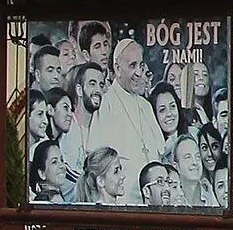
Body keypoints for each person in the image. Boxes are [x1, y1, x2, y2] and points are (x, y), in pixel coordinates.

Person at [88, 37, 165, 202]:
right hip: (123, 201)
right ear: (117, 68)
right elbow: (98, 160)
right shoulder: (106, 103)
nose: (139, 72)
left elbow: (159, 152)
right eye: (132, 66)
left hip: (151, 201)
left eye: (141, 65)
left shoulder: (145, 106)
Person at [59, 60, 107, 192]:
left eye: (101, 85)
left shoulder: (103, 127)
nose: (98, 90)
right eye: (92, 84)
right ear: (79, 90)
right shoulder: (66, 125)